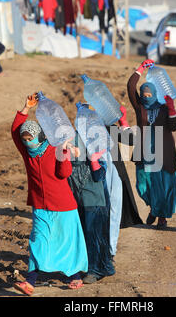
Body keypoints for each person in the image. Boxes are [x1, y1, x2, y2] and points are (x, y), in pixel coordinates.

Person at [11, 93, 88, 296]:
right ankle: (30, 282)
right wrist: (25, 108)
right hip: (40, 206)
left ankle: (75, 276)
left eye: (31, 138)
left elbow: (65, 174)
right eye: (25, 139)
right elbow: (14, 131)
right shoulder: (27, 154)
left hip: (63, 205)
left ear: (41, 136)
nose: (28, 142)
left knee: (67, 242)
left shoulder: (53, 149)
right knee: (38, 241)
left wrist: (64, 154)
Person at [127, 59, 176, 230]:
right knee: (142, 185)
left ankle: (161, 216)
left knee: (164, 185)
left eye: (150, 95)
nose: (147, 97)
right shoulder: (139, 107)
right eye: (144, 95)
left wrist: (172, 111)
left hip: (163, 153)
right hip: (144, 151)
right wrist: (141, 68)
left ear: (155, 94)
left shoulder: (164, 108)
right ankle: (154, 208)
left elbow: (174, 127)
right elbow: (130, 87)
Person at [68, 111, 115, 284]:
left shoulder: (96, 141)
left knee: (94, 233)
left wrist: (94, 160)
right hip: (76, 196)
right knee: (83, 233)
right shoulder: (69, 140)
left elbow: (100, 176)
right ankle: (98, 266)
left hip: (94, 197)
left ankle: (94, 270)